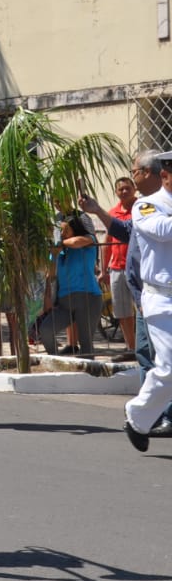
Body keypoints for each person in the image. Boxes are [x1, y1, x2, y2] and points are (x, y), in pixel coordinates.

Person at [122, 149, 172, 452]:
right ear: (165, 175)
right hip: (162, 300)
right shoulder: (146, 206)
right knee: (168, 369)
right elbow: (164, 231)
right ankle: (138, 417)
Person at [39, 213, 102, 355]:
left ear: (75, 229)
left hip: (89, 299)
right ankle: (56, 360)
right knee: (46, 330)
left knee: (86, 344)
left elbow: (76, 242)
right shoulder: (59, 251)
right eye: (60, 231)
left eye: (65, 230)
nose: (62, 234)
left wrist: (60, 244)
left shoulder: (88, 241)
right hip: (64, 303)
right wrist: (55, 254)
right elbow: (51, 275)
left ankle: (89, 374)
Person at [105, 176, 139, 349]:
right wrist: (103, 270)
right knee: (122, 312)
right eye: (120, 189)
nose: (124, 191)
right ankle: (131, 348)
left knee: (141, 310)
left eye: (127, 188)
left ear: (134, 188)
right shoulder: (112, 213)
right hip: (117, 268)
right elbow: (108, 242)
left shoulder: (142, 208)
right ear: (116, 192)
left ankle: (144, 347)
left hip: (137, 268)